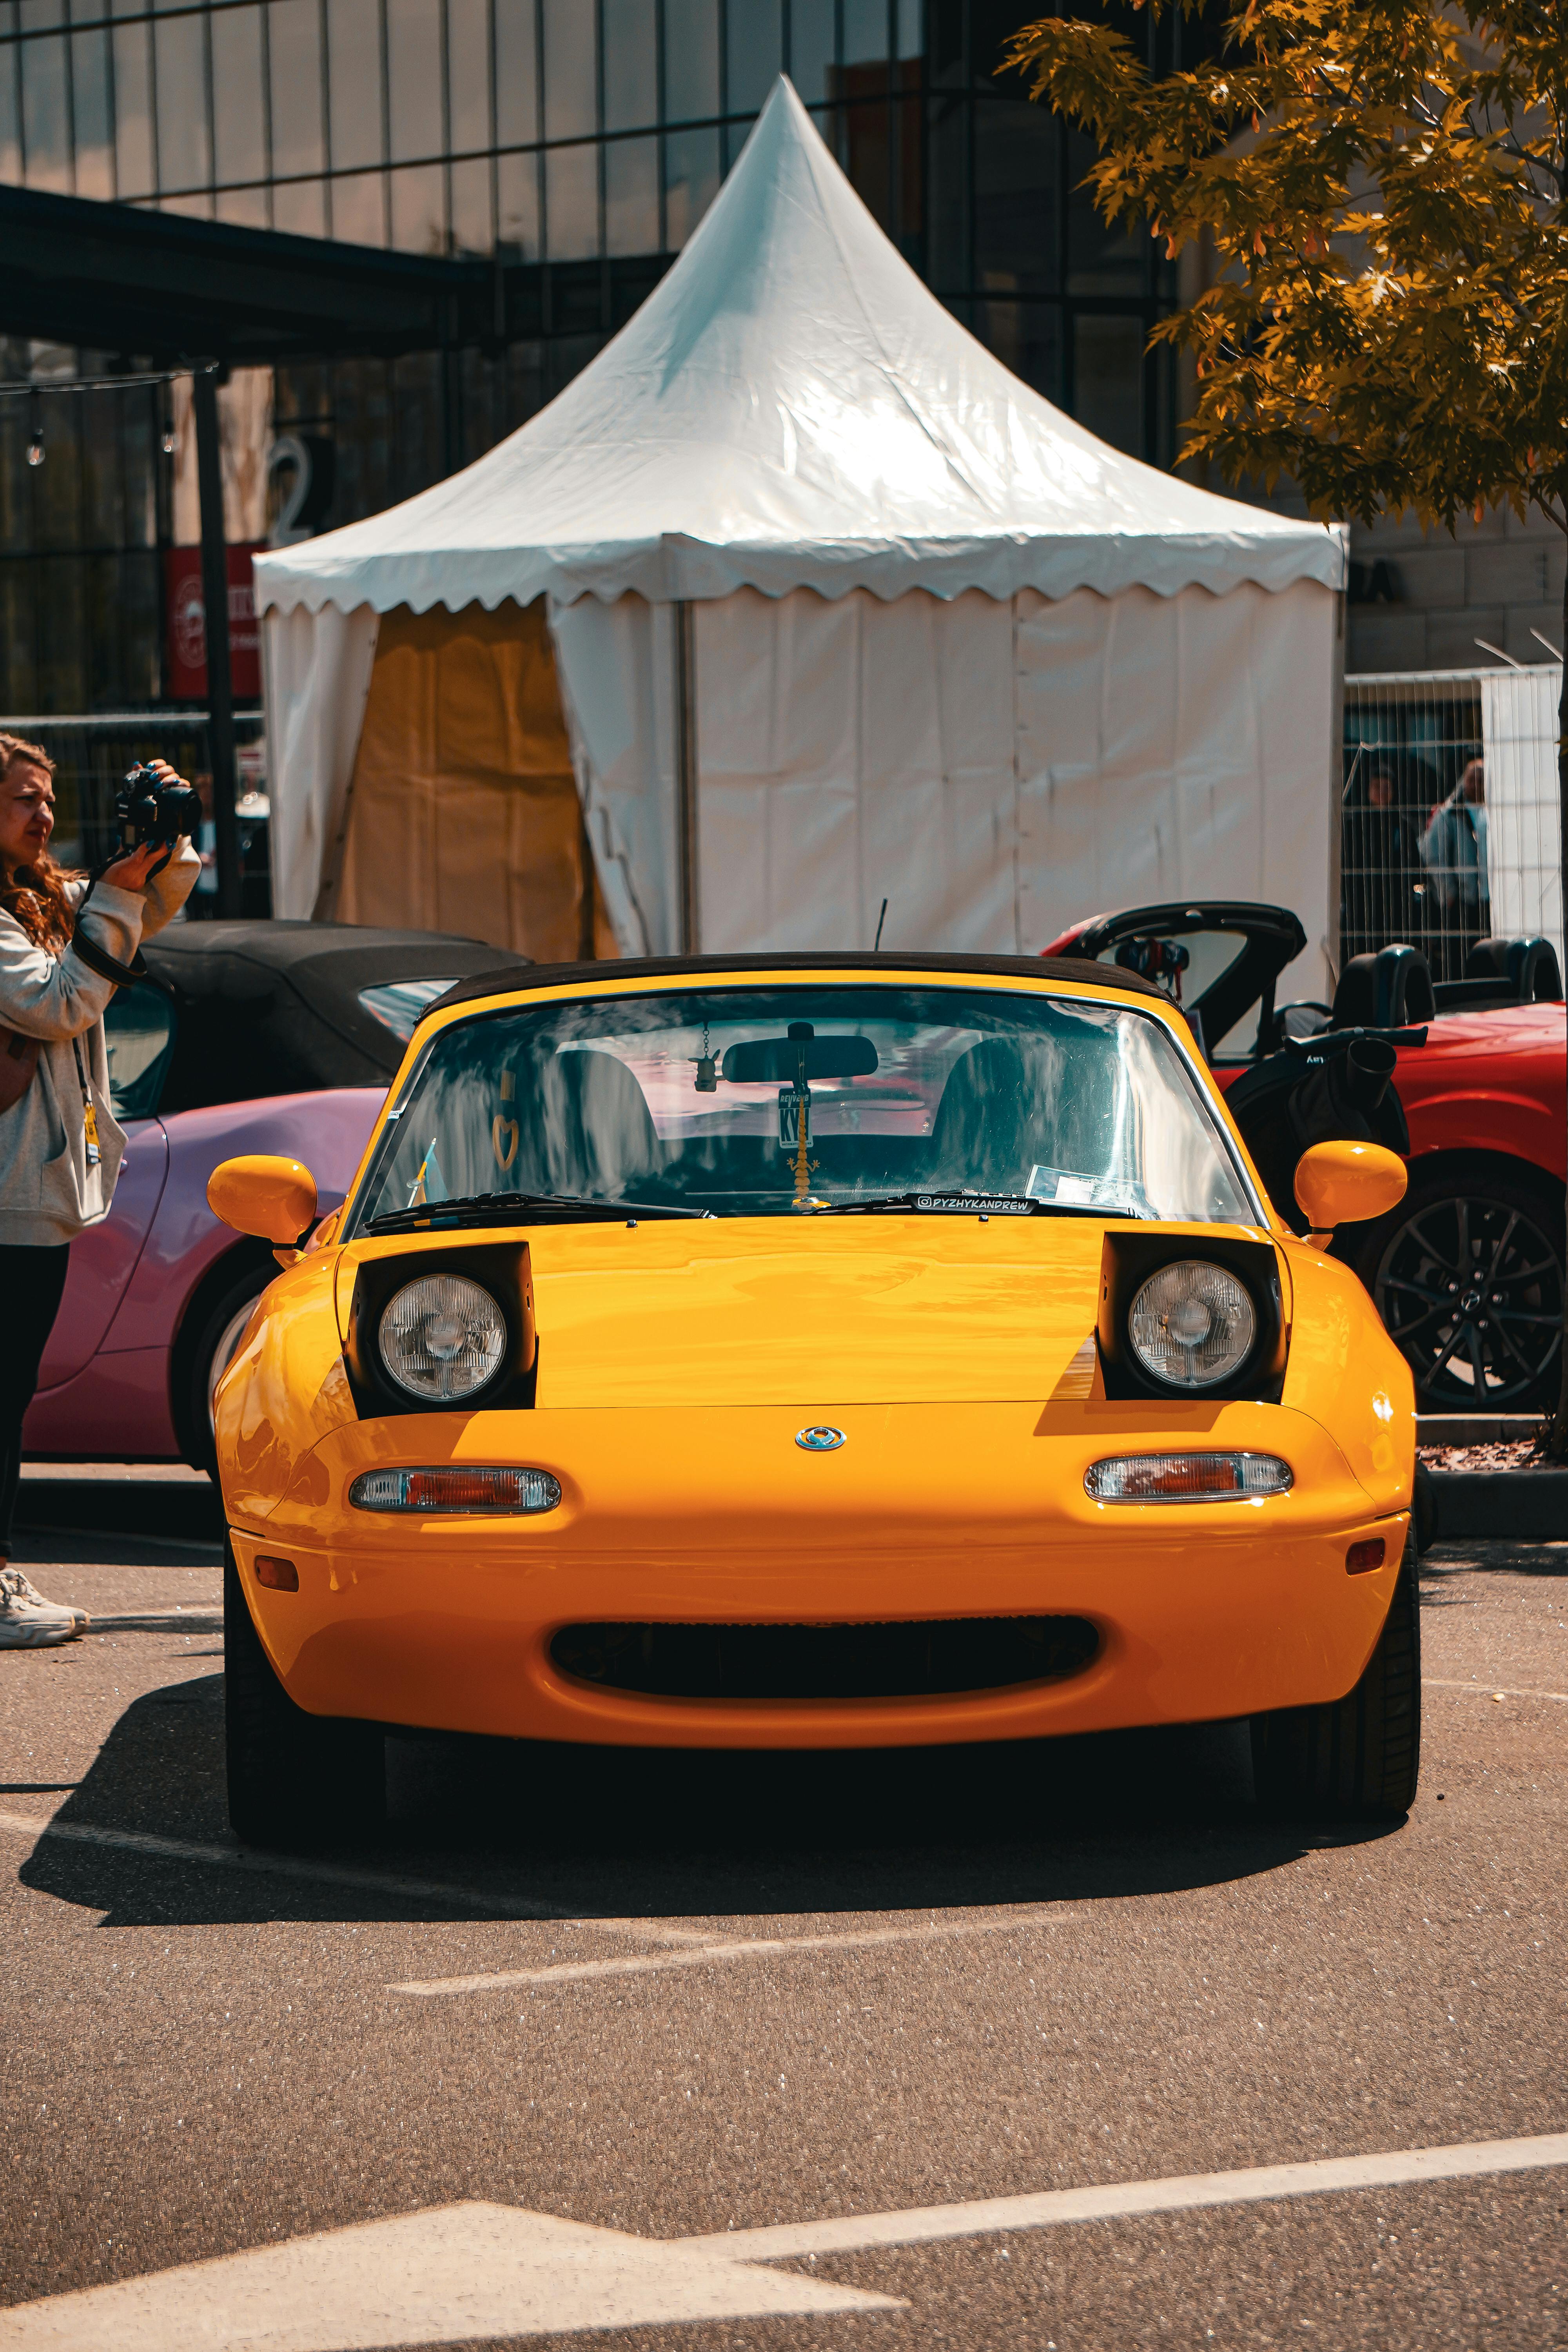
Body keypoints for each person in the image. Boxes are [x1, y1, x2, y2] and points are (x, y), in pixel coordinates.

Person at [0, 738, 198, 1645]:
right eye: (19, 800)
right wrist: (117, 891)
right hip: (6, 1198)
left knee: (10, 1390)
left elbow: (139, 911)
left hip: (31, 1191)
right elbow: (62, 1002)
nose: (42, 816)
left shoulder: (39, 900)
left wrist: (168, 836)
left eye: (45, 800)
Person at [1420, 756, 1489, 975]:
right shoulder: (1449, 814)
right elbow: (1434, 856)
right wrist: (1449, 893)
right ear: (1464, 781)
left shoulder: (1494, 813)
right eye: (1472, 779)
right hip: (1461, 901)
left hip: (1488, 901)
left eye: (1482, 779)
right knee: (1460, 961)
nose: (1477, 785)